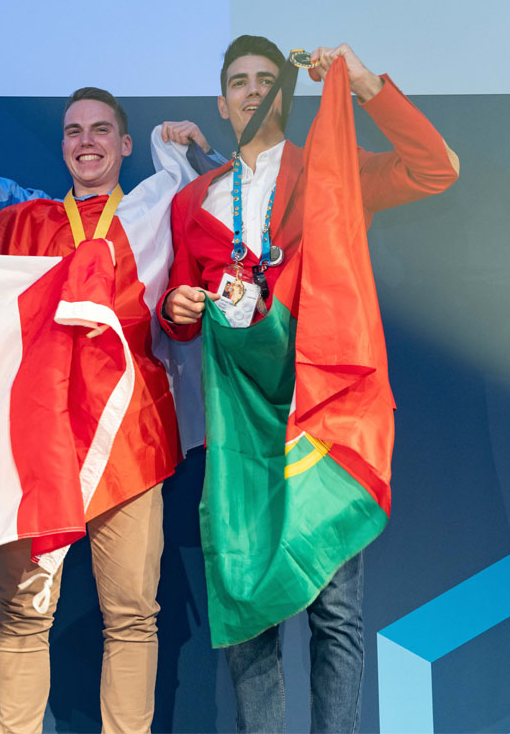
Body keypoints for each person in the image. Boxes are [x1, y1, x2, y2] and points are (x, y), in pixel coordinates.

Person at [0, 0, 205, 734]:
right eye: (73, 130)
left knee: (133, 616)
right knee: (22, 612)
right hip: (37, 442)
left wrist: (194, 153)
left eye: (100, 129)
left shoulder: (157, 205)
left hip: (130, 439)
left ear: (125, 143)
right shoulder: (23, 219)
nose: (85, 141)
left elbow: (241, 207)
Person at [158, 37, 460, 733]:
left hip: (325, 409)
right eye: (240, 82)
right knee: (248, 604)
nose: (254, 92)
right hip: (242, 422)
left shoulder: (333, 171)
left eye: (268, 80)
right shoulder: (193, 202)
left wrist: (361, 84)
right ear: (222, 100)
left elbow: (437, 169)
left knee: (335, 611)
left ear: (286, 96)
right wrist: (177, 308)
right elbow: (181, 304)